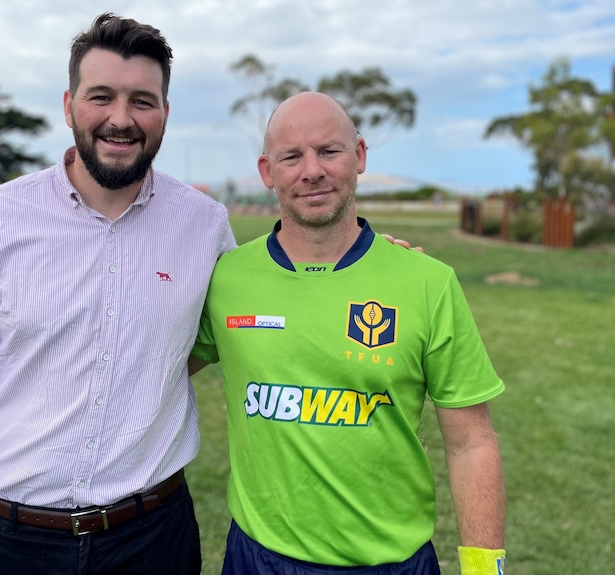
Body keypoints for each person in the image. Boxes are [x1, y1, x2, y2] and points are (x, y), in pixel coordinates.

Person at [0, 13, 237, 575]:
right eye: (101, 96)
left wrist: (366, 259)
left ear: (165, 113)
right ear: (68, 106)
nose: (121, 119)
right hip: (12, 540)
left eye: (142, 100)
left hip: (155, 538)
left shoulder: (205, 225)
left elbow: (254, 314)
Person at [190, 91, 506, 575]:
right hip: (257, 558)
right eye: (291, 156)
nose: (311, 170)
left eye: (329, 151)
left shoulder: (427, 281)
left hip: (391, 563)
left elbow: (471, 443)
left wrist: (487, 570)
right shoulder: (226, 280)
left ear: (358, 155)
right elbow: (159, 366)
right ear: (266, 171)